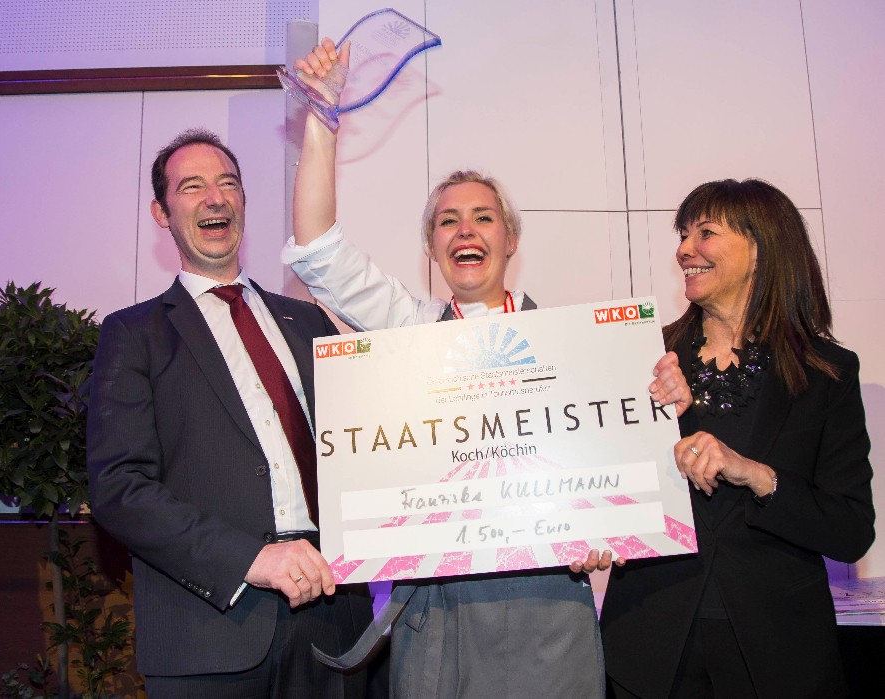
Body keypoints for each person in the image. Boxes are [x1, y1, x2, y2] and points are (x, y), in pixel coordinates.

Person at [281, 39, 691, 698]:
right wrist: (322, 117)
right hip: (435, 621)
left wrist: (611, 520)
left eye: (483, 217)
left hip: (548, 615)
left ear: (510, 238)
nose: (465, 230)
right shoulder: (408, 331)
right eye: (448, 221)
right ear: (432, 246)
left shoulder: (580, 351)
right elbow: (317, 250)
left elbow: (630, 477)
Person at [87, 128, 374, 698]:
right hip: (208, 633)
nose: (215, 197)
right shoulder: (134, 334)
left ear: (243, 200)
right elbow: (119, 488)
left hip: (334, 619)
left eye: (228, 184)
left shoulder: (309, 322)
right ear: (161, 212)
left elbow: (365, 449)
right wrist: (251, 559)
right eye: (191, 187)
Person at [600, 178, 876, 698]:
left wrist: (758, 476)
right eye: (683, 234)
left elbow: (850, 531)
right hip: (649, 649)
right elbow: (604, 490)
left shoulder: (828, 373)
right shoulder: (642, 356)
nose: (685, 249)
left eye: (705, 233)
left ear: (760, 249)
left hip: (779, 654)